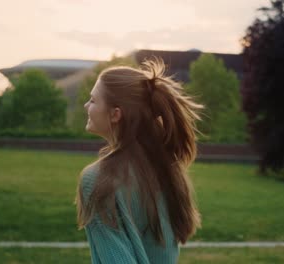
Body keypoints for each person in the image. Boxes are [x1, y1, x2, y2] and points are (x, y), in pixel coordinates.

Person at [75, 58, 202, 264]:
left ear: (115, 114)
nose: (86, 105)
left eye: (93, 100)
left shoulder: (97, 180)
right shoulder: (166, 169)